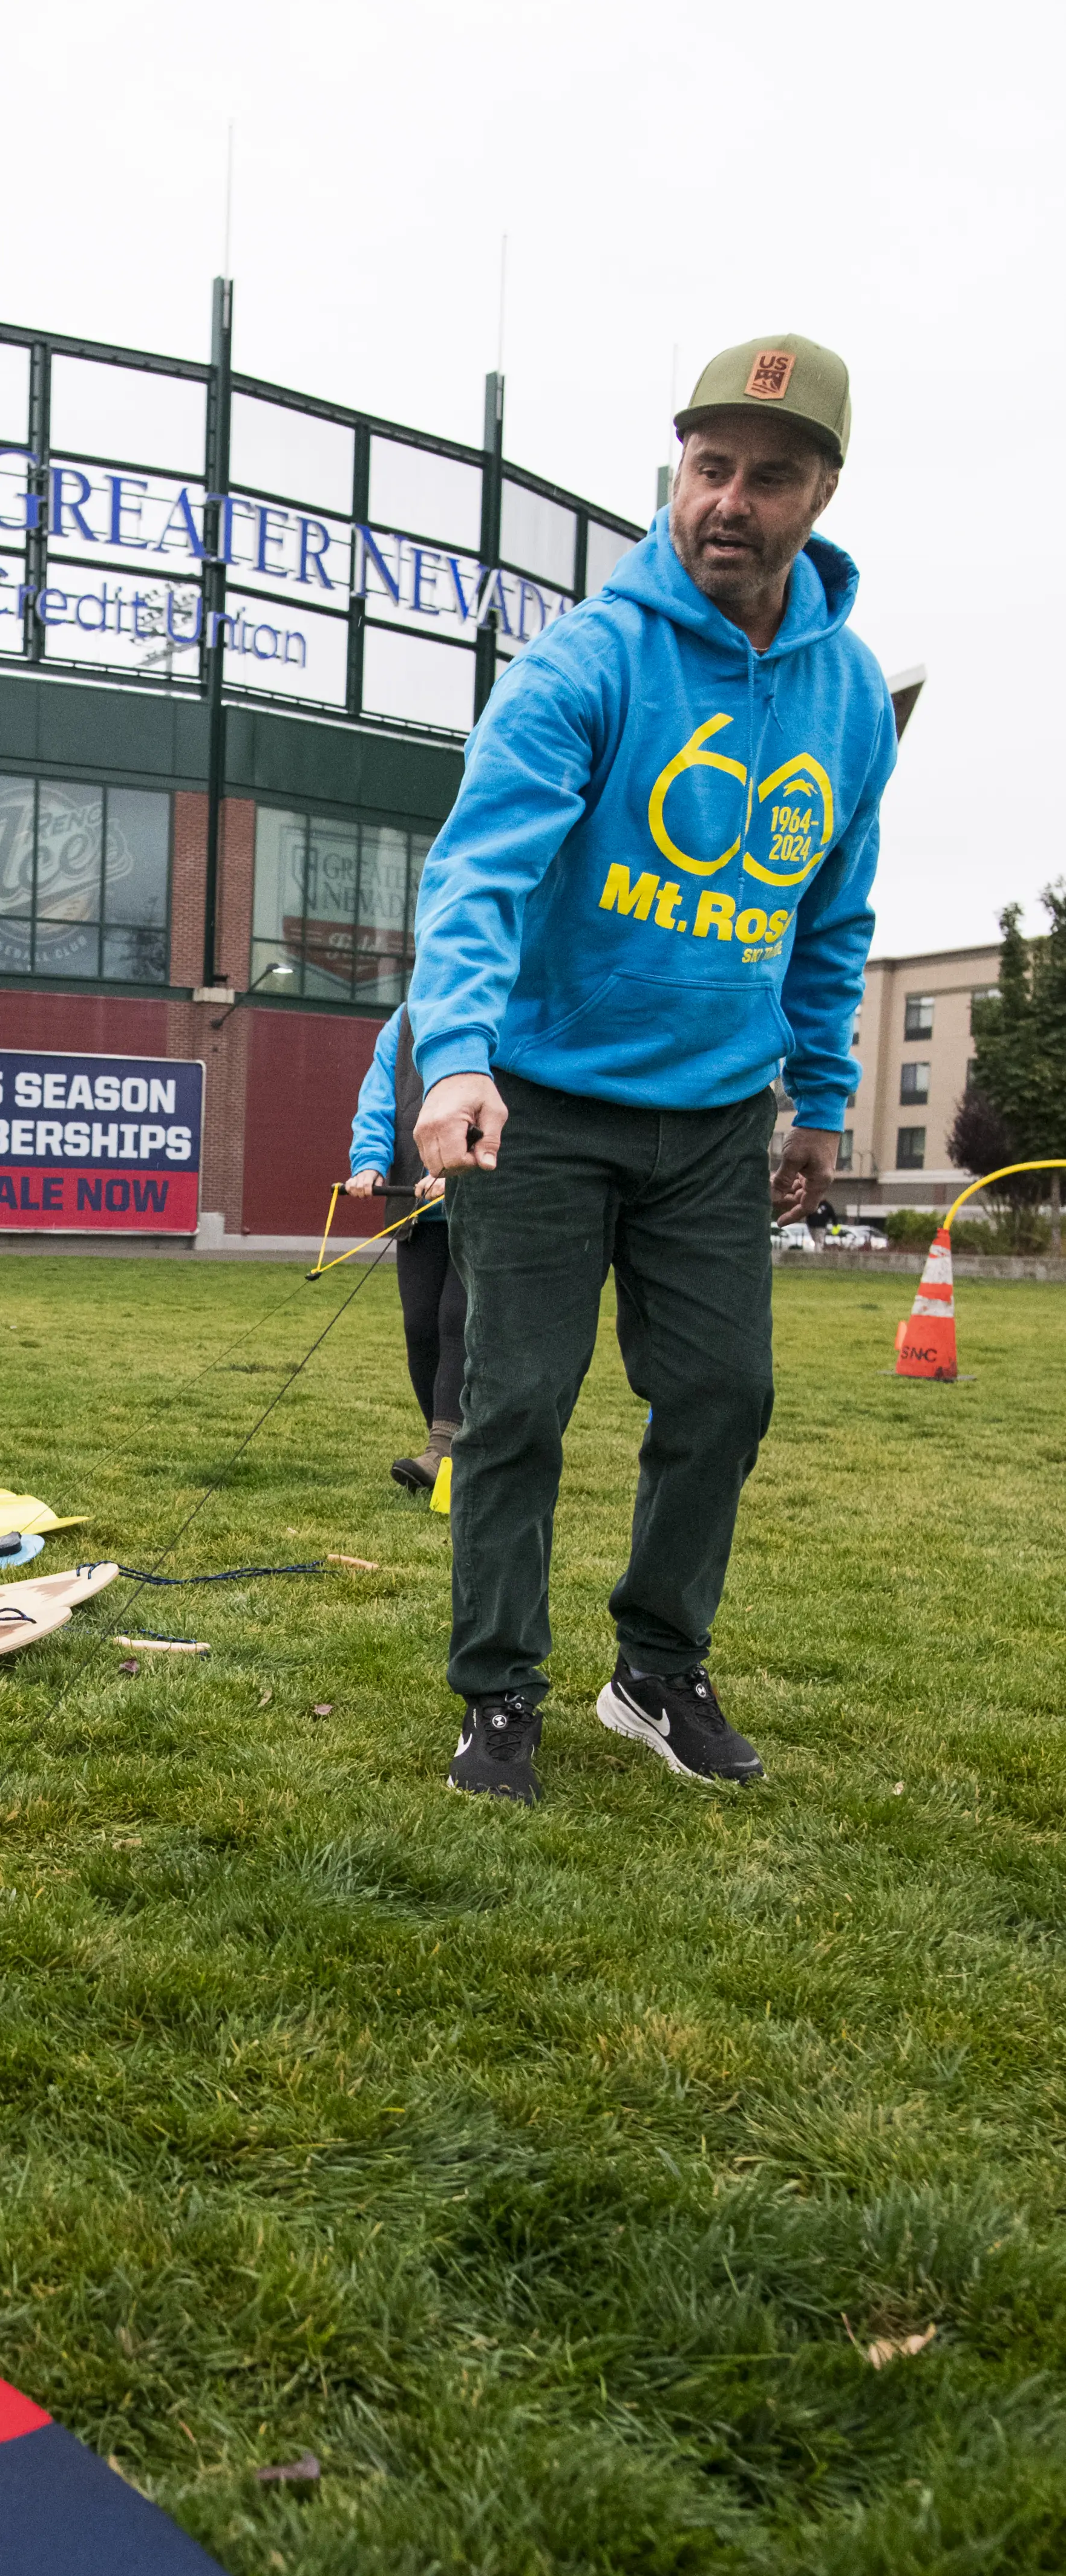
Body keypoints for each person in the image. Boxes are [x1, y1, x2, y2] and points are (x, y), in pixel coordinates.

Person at [405, 334, 894, 1802]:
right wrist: (454, 1060)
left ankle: (654, 1669)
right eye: (706, 466)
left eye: (767, 474)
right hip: (543, 1106)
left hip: (713, 1116)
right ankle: (497, 1692)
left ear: (819, 491)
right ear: (674, 472)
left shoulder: (848, 692)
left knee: (724, 1396)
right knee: (515, 1405)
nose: (728, 499)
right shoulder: (583, 661)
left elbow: (832, 905)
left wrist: (816, 1091)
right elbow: (479, 871)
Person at [344, 1005, 463, 1494]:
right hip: (415, 1213)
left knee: (459, 1319)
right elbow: (379, 1098)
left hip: (480, 1206)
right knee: (421, 1328)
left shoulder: (499, 1004)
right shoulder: (405, 1021)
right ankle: (445, 1446)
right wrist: (369, 1162)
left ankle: (444, 1451)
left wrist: (459, 1160)